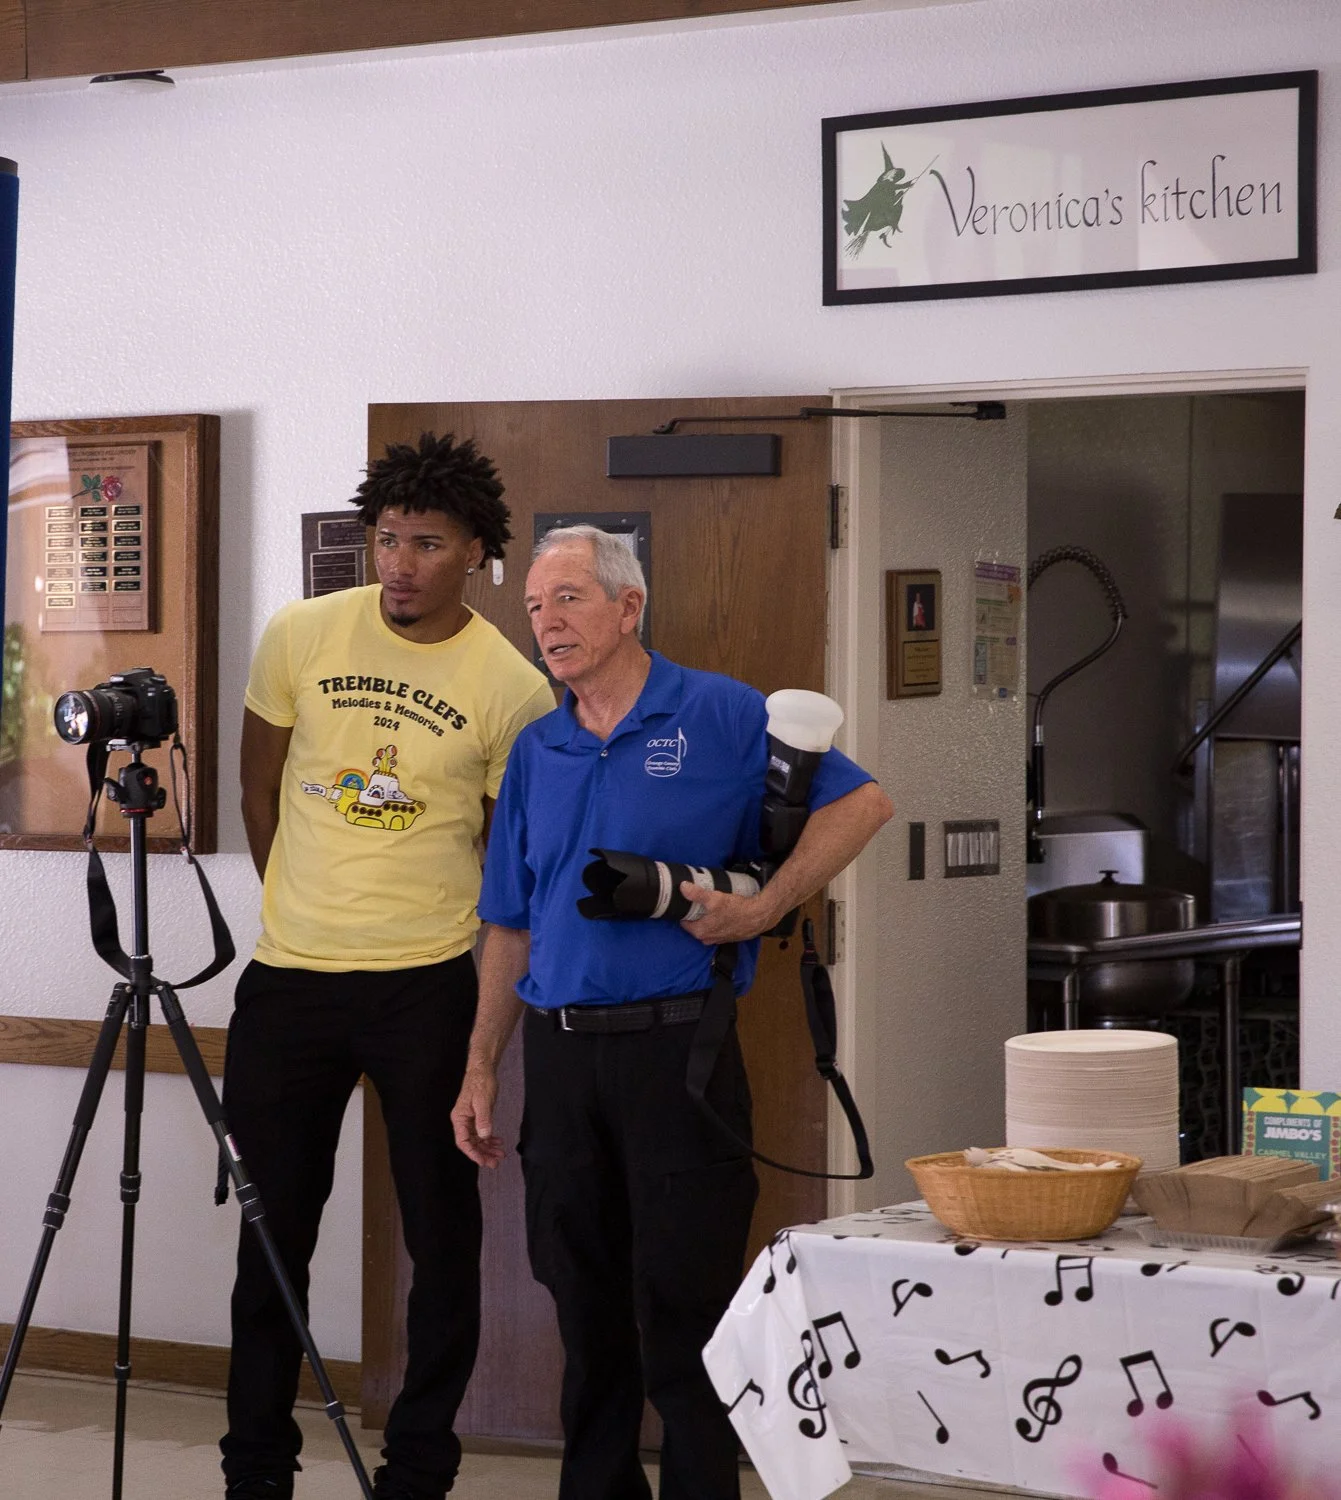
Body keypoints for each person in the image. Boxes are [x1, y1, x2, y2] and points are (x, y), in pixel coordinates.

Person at [451, 525, 892, 1500]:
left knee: (686, 1319)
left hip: (676, 1058)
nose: (546, 622)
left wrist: (766, 905)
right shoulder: (539, 747)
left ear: (627, 606)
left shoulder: (723, 715)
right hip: (561, 1068)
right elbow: (508, 926)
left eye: (567, 598)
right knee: (584, 1312)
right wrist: (483, 1065)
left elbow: (861, 805)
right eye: (534, 606)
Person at [220, 432, 554, 1500]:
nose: (399, 562)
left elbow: (511, 869)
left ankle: (419, 1469)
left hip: (427, 988)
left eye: (427, 542)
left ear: (477, 554)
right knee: (272, 1236)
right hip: (291, 984)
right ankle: (254, 1469)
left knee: (444, 1247)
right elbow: (258, 795)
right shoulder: (301, 634)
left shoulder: (512, 687)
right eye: (386, 539)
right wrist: (308, 911)